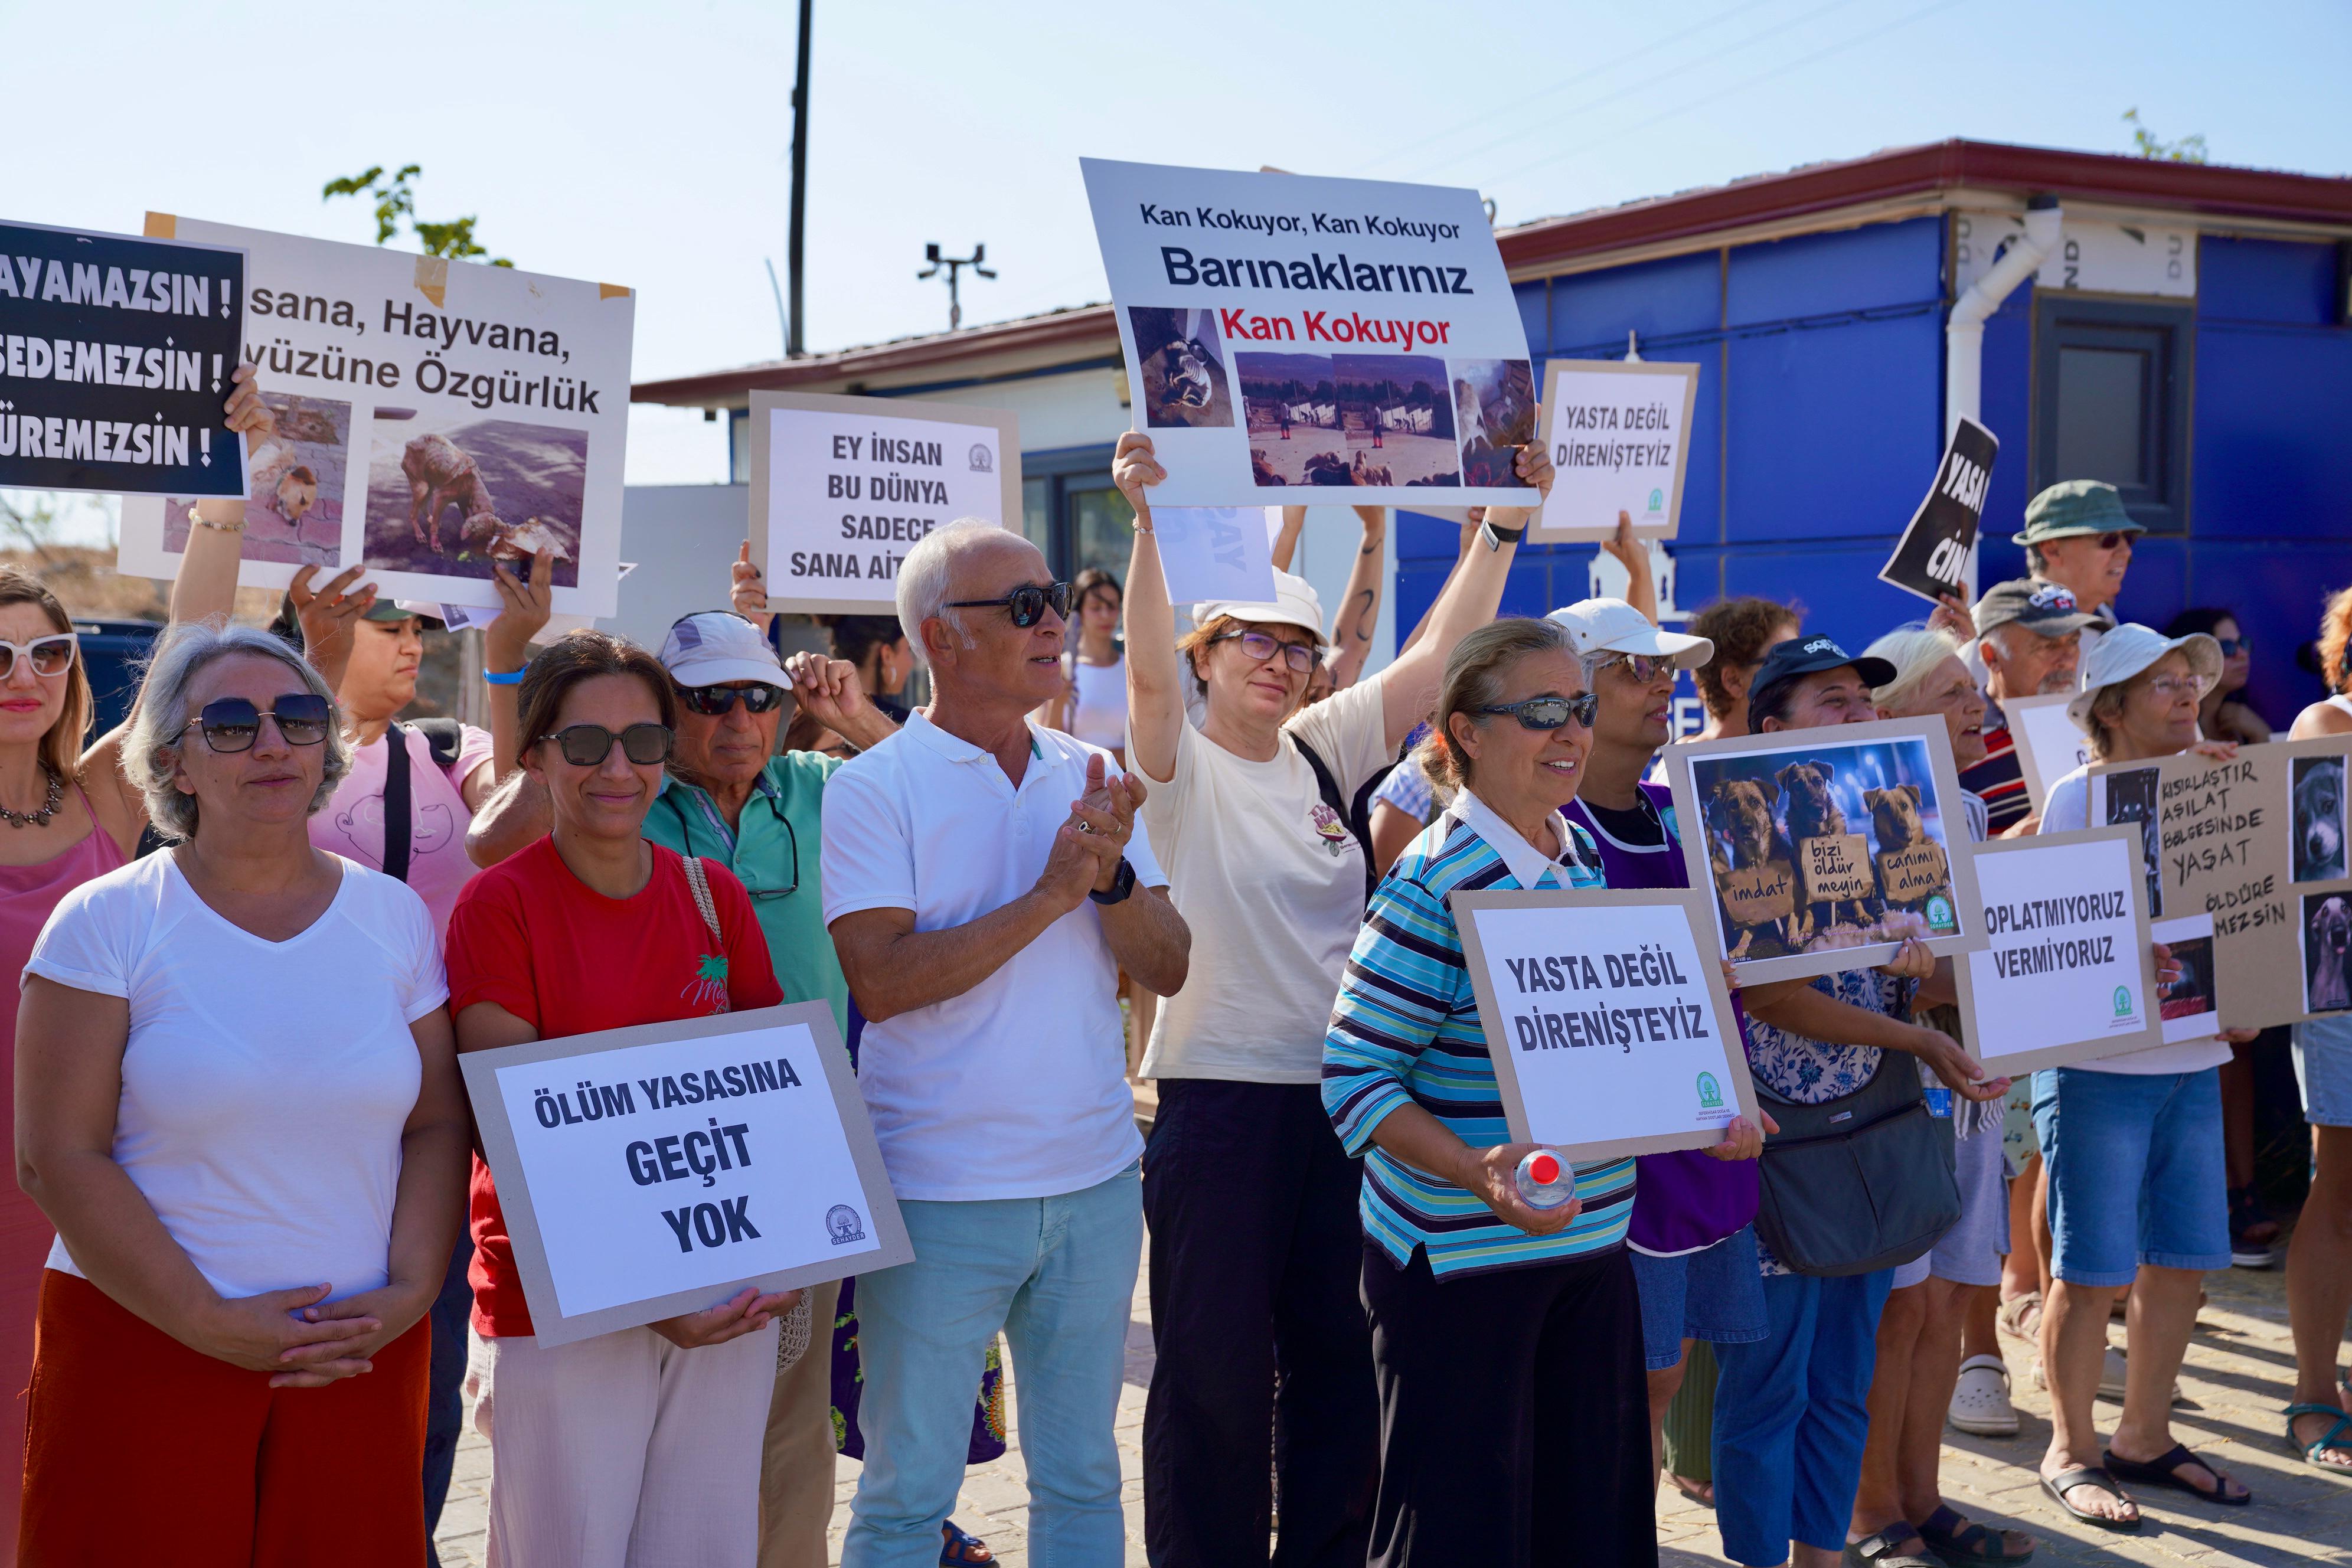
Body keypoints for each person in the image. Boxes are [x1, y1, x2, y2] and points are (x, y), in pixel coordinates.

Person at [1115, 430, 1552, 1567]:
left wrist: (1501, 528)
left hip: (1343, 1107)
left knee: (1334, 1371)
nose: (1278, 659)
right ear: (1207, 654)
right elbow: (1146, 678)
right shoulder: (1178, 764)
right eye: (1251, 639)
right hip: (1216, 1111)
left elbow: (1443, 654)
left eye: (1298, 645)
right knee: (1212, 1382)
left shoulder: (1318, 747)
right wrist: (1145, 526)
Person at [15, 620, 469, 1564]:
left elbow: (434, 1122)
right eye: (228, 724)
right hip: (145, 1342)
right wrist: (203, 1321)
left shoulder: (392, 916)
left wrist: (412, 1292)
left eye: (299, 719)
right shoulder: (105, 919)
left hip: (357, 1349)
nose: (271, 744)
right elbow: (56, 1155)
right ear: (173, 765)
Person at [821, 520, 1190, 1567]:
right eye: (1022, 605)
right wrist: (1053, 892)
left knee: (1080, 1477)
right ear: (940, 638)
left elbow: (1166, 965)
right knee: (905, 1495)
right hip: (937, 1191)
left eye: (1054, 601)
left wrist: (1111, 876)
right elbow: (882, 983)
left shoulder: (1092, 771)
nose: (1054, 623)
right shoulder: (872, 786)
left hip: (1093, 1186)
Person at [448, 631, 799, 1567]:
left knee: (704, 1551)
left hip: (722, 1290)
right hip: (561, 1301)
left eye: (643, 743)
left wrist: (802, 1234)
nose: (618, 768)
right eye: (584, 743)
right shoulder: (498, 906)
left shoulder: (712, 894)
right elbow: (508, 1129)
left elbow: (774, 1101)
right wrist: (649, 1296)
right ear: (535, 757)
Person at [1322, 617, 1651, 1565]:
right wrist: (1474, 1170)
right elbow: (1355, 1077)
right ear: (1464, 731)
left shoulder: (1578, 854)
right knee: (1458, 1538)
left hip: (1589, 1248)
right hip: (1463, 1270)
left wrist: (1697, 1108)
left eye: (1580, 709)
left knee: (1582, 1528)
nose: (1571, 733)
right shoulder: (1432, 882)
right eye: (1542, 711)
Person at [1715, 634, 2010, 1568]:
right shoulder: (1727, 830)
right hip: (1777, 1151)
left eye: (1863, 702)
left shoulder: (1895, 833)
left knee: (1843, 1382)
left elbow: (1941, 985)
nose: (1860, 716)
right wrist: (1919, 1033)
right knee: (1769, 1388)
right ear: (1773, 730)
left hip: (1872, 1140)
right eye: (1833, 702)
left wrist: (1923, 976)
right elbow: (1767, 994)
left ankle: (1822, 1556)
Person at [1547, 596, 1783, 1515]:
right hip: (1613, 1158)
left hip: (1704, 1136)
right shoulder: (1551, 835)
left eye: (1664, 669)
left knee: (1662, 1375)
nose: (1661, 686)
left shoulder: (1686, 812)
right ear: (1571, 693)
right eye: (1633, 669)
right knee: (1617, 1384)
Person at [2031, 623, 2258, 1528]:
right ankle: (2069, 1449)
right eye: (2160, 684)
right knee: (2090, 1275)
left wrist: (2248, 991)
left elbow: (2251, 917)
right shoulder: (2075, 799)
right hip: (2095, 1072)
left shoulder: (2223, 781)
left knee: (2181, 1267)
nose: (2183, 694)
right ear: (2109, 711)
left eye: (2186, 681)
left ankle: (2144, 1436)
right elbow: (2056, 947)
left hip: (2195, 1066)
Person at [1845, 626, 2036, 1568]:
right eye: (1956, 693)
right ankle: (1869, 1509)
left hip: (1975, 1086)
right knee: (1899, 1311)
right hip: (1902, 1093)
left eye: (1977, 694)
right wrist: (1951, 982)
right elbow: (1865, 976)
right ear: (1894, 713)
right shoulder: (1856, 817)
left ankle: (1923, 1501)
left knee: (1951, 1302)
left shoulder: (1963, 808)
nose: (1979, 710)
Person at [2286, 584, 2352, 1472]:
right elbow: (2320, 860)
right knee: (2339, 1188)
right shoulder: (2325, 724)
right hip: (2344, 984)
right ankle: (2312, 1393)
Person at [1963, 576, 2096, 836]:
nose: (2067, 661)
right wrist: (2010, 842)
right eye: (2048, 646)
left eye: (2073, 642)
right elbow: (1949, 868)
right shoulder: (1962, 742)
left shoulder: (2101, 725)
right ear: (1992, 657)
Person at [2013, 481, 2144, 662]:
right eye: (2108, 540)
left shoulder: (2103, 616)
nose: (2126, 551)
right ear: (2053, 551)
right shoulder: (2002, 622)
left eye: (2129, 539)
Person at [1043, 567, 1129, 764]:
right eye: (1096, 607)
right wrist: (1058, 701)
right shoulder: (1060, 667)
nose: (1105, 614)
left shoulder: (1131, 670)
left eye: (1112, 606)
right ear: (1079, 611)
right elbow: (1045, 745)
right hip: (1076, 787)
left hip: (1127, 784)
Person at [1687, 598, 1801, 742]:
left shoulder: (1799, 754)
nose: (1799, 672)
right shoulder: (1682, 763)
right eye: (1783, 661)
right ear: (1733, 681)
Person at [2164, 608, 2271, 746]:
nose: (2243, 654)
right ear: (2194, 657)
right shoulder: (2172, 724)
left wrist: (2261, 733)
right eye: (2227, 647)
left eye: (2243, 643)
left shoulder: (2242, 719)